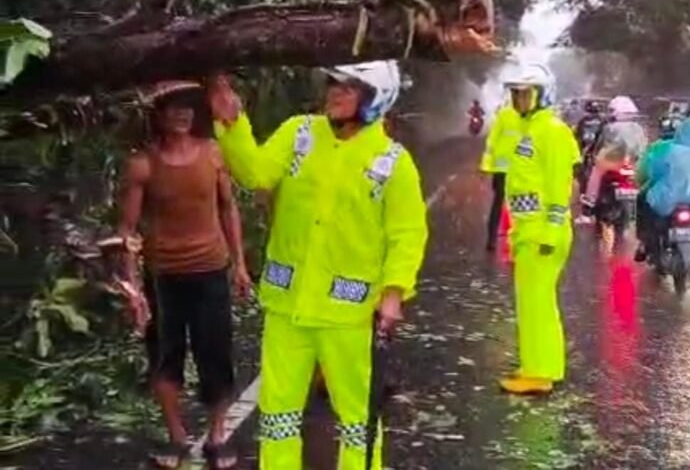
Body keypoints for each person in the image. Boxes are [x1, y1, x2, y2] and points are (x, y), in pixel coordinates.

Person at [207, 60, 428, 470]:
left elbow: (407, 235)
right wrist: (234, 125)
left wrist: (394, 294)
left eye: (349, 86)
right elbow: (255, 174)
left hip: (350, 313)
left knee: (357, 421)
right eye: (333, 83)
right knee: (277, 417)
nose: (335, 91)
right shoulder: (299, 133)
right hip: (287, 305)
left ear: (375, 98)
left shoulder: (392, 163)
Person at [118, 81, 250, 470]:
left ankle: (217, 434)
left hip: (211, 270)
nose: (182, 113)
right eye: (173, 107)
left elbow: (228, 210)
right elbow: (126, 231)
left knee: (216, 354)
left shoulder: (213, 154)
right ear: (157, 115)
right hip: (163, 276)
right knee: (164, 358)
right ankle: (176, 436)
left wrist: (240, 264)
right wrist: (132, 288)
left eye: (188, 107)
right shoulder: (142, 164)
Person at [496, 63, 580, 395]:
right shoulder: (529, 130)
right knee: (531, 303)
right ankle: (537, 365)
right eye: (515, 93)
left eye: (525, 93)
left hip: (544, 232)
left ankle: (541, 373)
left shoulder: (553, 131)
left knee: (538, 303)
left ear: (542, 95)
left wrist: (551, 229)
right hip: (527, 231)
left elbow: (561, 184)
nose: (518, 99)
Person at [635, 114, 690, 264]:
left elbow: (653, 171)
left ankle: (644, 242)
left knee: (644, 203)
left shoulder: (669, 151)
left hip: (669, 198)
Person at [580, 95, 648, 221]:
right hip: (634, 164)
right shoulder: (639, 129)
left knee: (596, 172)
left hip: (612, 164)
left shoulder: (610, 128)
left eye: (611, 111)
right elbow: (644, 147)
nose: (610, 114)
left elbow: (600, 146)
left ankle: (589, 205)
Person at [480, 76, 522, 251]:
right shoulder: (511, 115)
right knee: (517, 205)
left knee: (502, 204)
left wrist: (487, 165)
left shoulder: (506, 114)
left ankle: (495, 239)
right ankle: (502, 239)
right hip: (513, 170)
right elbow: (492, 141)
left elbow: (492, 140)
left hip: (511, 169)